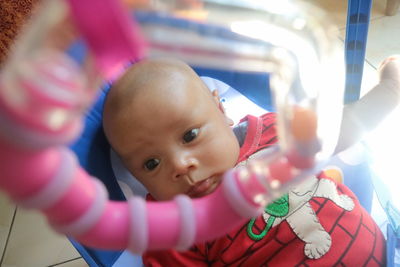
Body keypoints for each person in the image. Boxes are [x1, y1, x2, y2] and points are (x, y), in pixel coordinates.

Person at [103, 57, 399, 266]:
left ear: (221, 110)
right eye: (152, 164)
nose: (180, 165)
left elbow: (342, 130)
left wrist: (388, 92)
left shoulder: (276, 131)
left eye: (190, 135)